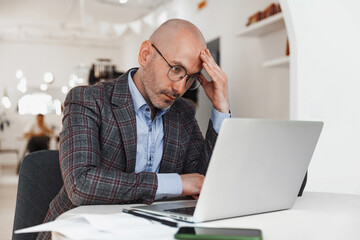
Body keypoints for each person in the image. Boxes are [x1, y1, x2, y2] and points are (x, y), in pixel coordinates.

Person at [37, 19, 230, 240]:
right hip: (81, 230)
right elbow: (81, 184)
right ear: (146, 55)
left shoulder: (183, 112)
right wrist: (176, 183)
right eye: (176, 69)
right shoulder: (88, 100)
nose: (180, 88)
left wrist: (220, 109)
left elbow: (202, 181)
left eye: (190, 78)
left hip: (147, 231)